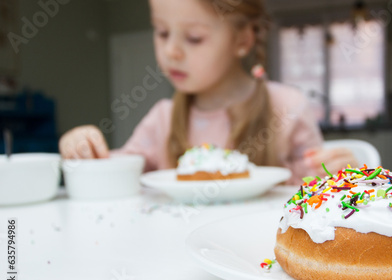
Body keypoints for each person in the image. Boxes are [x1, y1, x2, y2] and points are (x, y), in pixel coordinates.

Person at [59, 0, 357, 184]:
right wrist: (85, 149)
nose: (171, 51)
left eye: (193, 38)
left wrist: (343, 173)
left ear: (242, 40)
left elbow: (316, 187)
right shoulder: (162, 119)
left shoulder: (288, 107)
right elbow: (116, 175)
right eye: (162, 32)